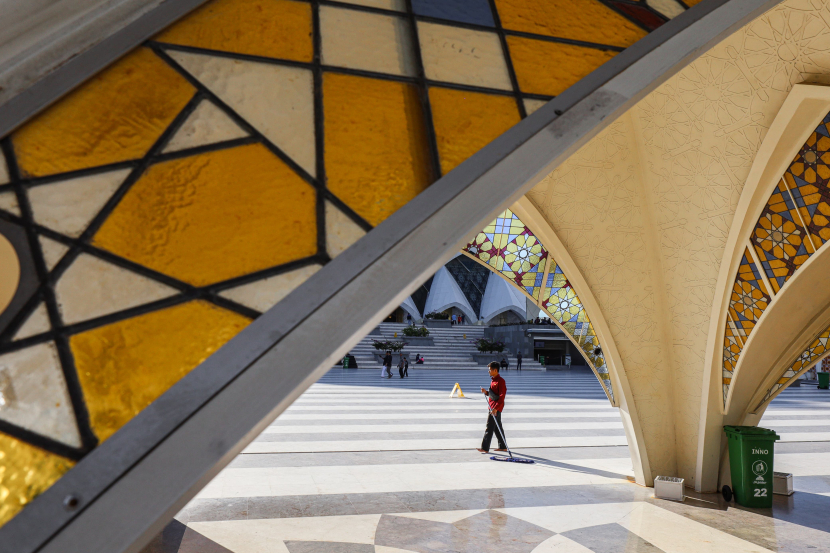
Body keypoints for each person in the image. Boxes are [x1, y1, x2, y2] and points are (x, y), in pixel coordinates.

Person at [477, 362, 507, 453]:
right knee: (497, 428)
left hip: (495, 408)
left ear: (495, 370)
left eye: (490, 369)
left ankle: (485, 448)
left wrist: (496, 408)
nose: (488, 371)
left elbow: (502, 396)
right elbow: (493, 394)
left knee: (489, 427)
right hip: (492, 406)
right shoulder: (493, 380)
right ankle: (503, 446)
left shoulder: (501, 381)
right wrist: (486, 392)